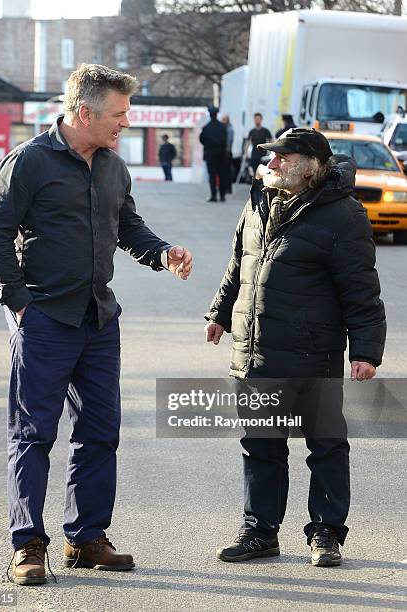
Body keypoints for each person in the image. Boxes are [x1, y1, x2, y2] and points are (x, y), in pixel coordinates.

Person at [0, 63, 193, 586]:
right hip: (46, 319)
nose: (125, 122)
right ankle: (28, 545)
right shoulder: (29, 162)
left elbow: (128, 227)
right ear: (84, 112)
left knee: (100, 433)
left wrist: (163, 254)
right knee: (33, 435)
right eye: (118, 114)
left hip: (99, 318)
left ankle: (86, 537)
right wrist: (20, 304)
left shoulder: (113, 166)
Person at [205, 128, 386, 568]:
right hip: (255, 351)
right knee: (261, 445)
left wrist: (365, 350)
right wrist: (220, 312)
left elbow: (361, 291)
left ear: (309, 165)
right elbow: (240, 263)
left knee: (324, 445)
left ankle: (326, 533)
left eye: (282, 158)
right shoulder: (258, 202)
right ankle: (260, 531)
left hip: (311, 353)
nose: (271, 164)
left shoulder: (344, 216)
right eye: (272, 158)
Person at [199, 107, 228, 202]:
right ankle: (222, 195)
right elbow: (226, 139)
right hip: (221, 153)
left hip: (210, 153)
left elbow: (202, 139)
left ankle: (214, 195)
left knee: (212, 174)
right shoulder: (223, 127)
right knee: (222, 174)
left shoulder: (206, 127)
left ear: (210, 115)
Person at [221, 114, 234, 194]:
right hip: (225, 152)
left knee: (227, 171)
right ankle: (225, 188)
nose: (222, 121)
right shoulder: (224, 128)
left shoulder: (229, 129)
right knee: (225, 171)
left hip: (227, 152)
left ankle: (228, 188)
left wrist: (227, 151)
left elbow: (229, 142)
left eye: (224, 119)